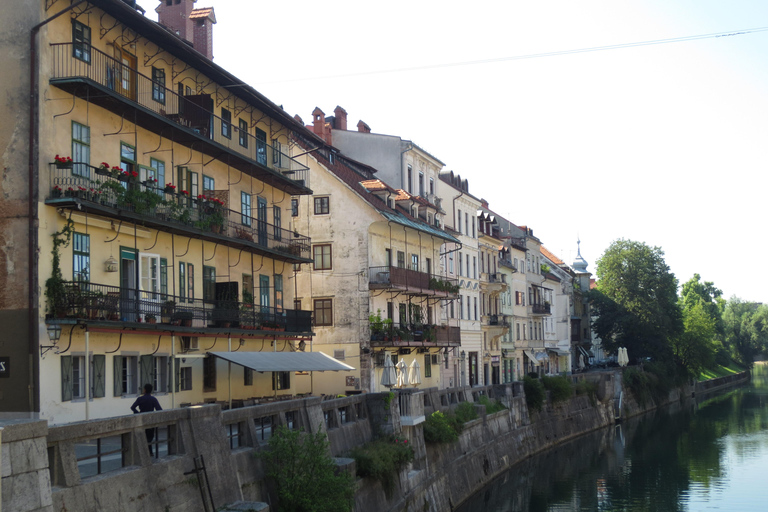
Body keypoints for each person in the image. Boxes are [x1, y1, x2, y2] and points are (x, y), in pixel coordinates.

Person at [131, 384, 162, 455]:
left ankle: (144, 452)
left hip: (141, 419)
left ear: (144, 390)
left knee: (142, 437)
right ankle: (149, 452)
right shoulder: (153, 399)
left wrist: (138, 413)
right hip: (150, 420)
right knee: (150, 437)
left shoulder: (140, 399)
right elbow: (159, 409)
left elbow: (132, 407)